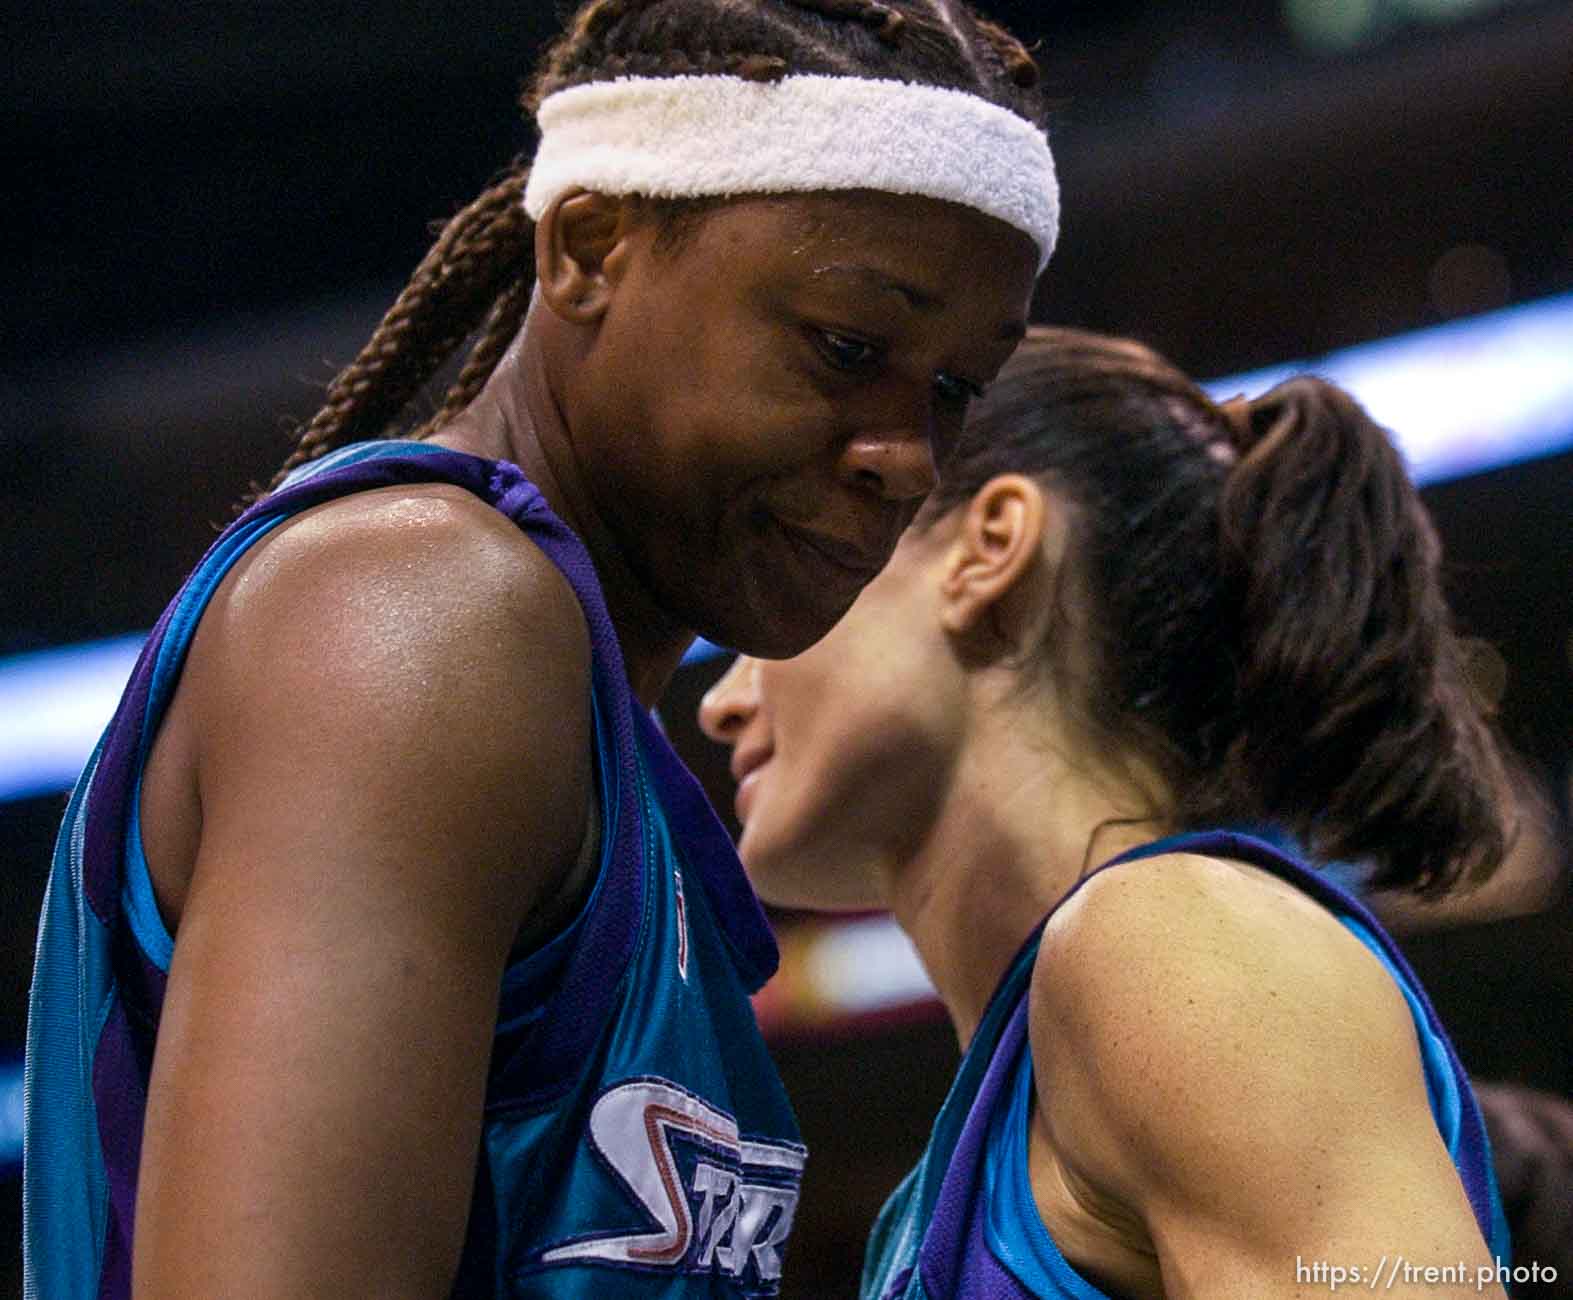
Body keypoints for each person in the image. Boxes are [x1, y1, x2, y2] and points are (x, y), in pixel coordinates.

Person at [22, 3, 1059, 1296]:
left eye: (955, 388)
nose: (908, 456)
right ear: (587, 248)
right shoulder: (428, 611)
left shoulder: (580, 723)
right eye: (849, 349)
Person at [700, 326, 1524, 1298]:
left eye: (801, 580)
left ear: (987, 549)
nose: (723, 699)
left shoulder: (1174, 937)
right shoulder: (986, 1133)